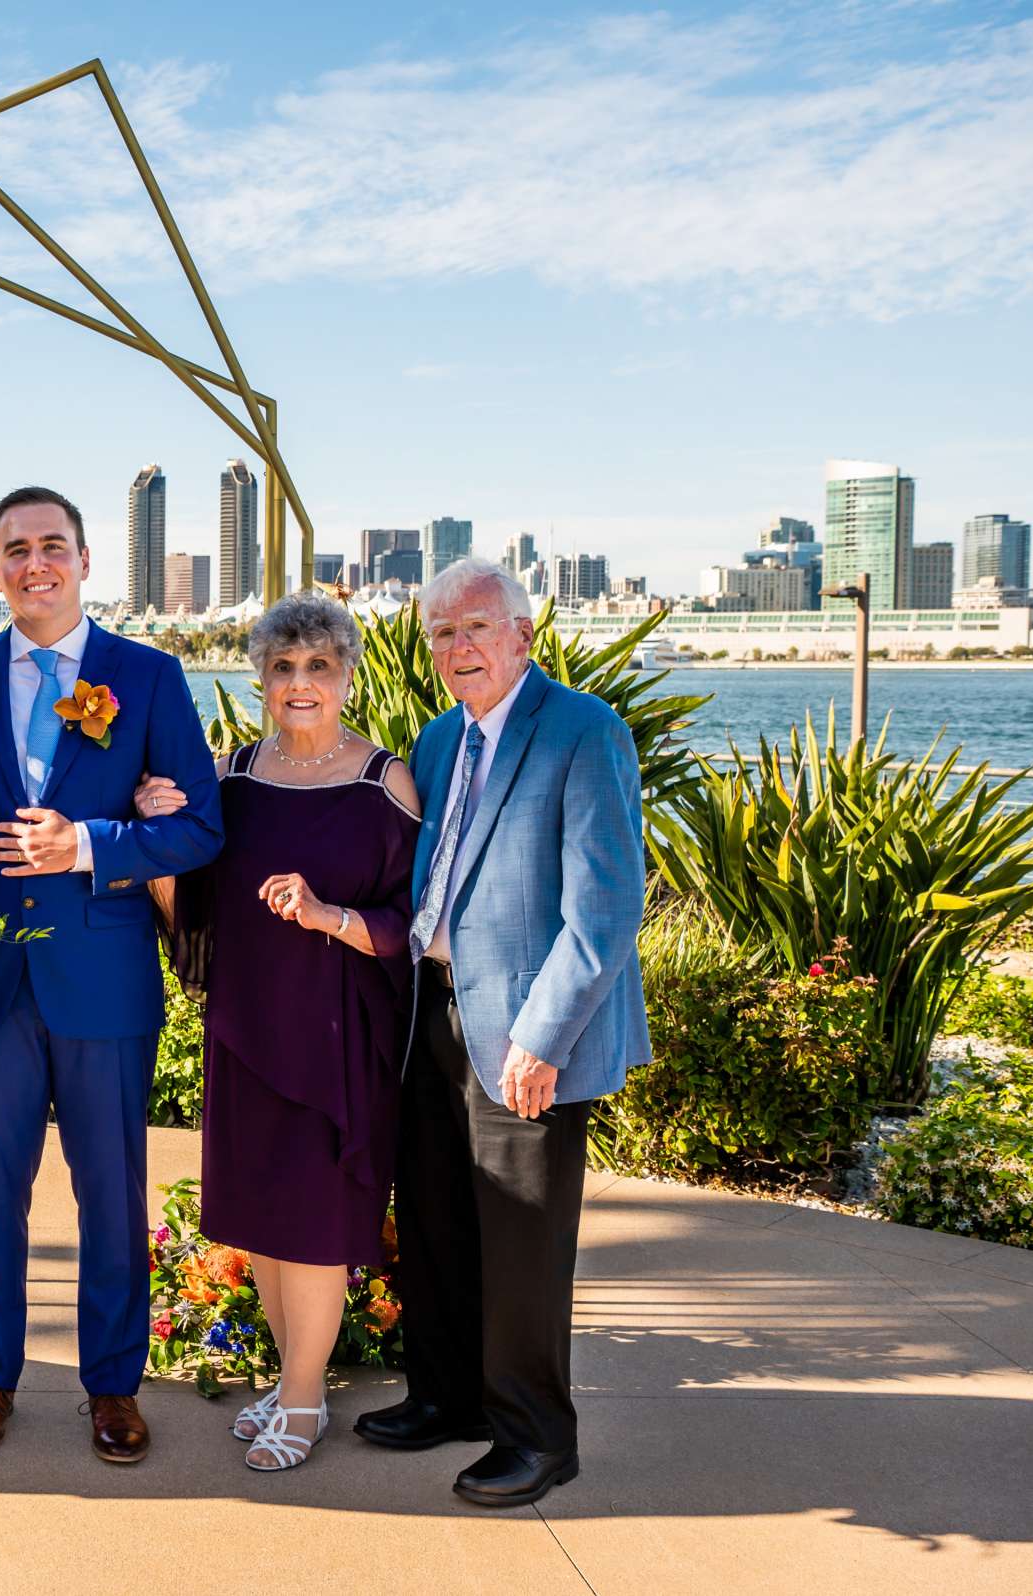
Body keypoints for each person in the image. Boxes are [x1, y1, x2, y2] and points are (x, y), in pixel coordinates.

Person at [0, 486, 223, 1466]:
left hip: (105, 975)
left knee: (112, 1188)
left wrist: (93, 841)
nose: (34, 564)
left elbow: (198, 826)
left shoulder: (148, 675)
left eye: (52, 545)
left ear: (88, 560)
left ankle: (111, 1386)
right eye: (14, 549)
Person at [353, 557, 648, 1508]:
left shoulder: (582, 731)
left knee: (521, 1243)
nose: (458, 647)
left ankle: (535, 1438)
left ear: (524, 634)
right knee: (437, 1222)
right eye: (441, 633)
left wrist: (545, 1037)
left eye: (477, 627)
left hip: (525, 1035)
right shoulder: (438, 742)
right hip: (433, 1015)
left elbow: (604, 911)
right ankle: (446, 1398)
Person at [153, 593, 419, 1471]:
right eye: (282, 668)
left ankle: (306, 1400)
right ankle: (289, 1375)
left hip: (338, 1040)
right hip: (249, 1031)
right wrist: (156, 839)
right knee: (265, 1223)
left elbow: (412, 922)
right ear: (261, 679)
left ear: (346, 675)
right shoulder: (229, 777)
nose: (300, 683)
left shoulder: (386, 782)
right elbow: (193, 904)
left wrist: (325, 915)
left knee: (312, 1224)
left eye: (318, 666)